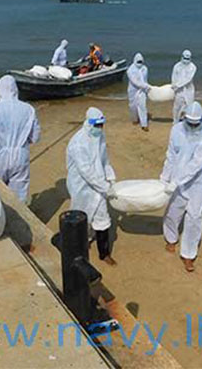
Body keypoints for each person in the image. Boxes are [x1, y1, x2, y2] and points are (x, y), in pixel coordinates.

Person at [159, 101, 202, 272]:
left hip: (196, 182)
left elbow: (197, 163)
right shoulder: (176, 130)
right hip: (175, 176)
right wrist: (165, 177)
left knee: (195, 217)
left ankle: (189, 255)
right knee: (173, 211)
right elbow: (171, 154)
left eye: (195, 124)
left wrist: (178, 181)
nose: (192, 127)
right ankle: (171, 238)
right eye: (189, 123)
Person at [66, 107, 117, 265]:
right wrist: (104, 186)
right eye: (97, 125)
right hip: (81, 186)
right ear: (89, 123)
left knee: (102, 218)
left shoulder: (100, 136)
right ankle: (82, 243)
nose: (100, 128)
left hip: (99, 184)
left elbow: (104, 160)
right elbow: (86, 171)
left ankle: (104, 253)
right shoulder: (78, 143)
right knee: (82, 216)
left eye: (102, 125)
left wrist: (110, 177)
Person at [0, 75, 41, 203]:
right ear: (16, 90)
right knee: (19, 196)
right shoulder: (29, 109)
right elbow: (35, 138)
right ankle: (20, 219)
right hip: (20, 155)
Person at [171, 49, 197, 123]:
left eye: (188, 59)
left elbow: (188, 79)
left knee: (188, 105)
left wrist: (178, 85)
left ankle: (185, 119)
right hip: (179, 91)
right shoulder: (177, 66)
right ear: (181, 57)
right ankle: (175, 121)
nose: (186, 60)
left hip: (189, 90)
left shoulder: (193, 67)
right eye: (185, 58)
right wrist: (174, 85)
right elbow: (173, 76)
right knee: (177, 106)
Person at [126, 52, 151, 132]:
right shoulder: (130, 70)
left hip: (142, 91)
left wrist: (146, 88)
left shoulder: (145, 69)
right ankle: (135, 119)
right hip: (133, 90)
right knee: (133, 106)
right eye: (138, 62)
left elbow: (145, 80)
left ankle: (144, 124)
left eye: (141, 62)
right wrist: (145, 86)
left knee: (142, 106)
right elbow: (134, 81)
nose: (140, 64)